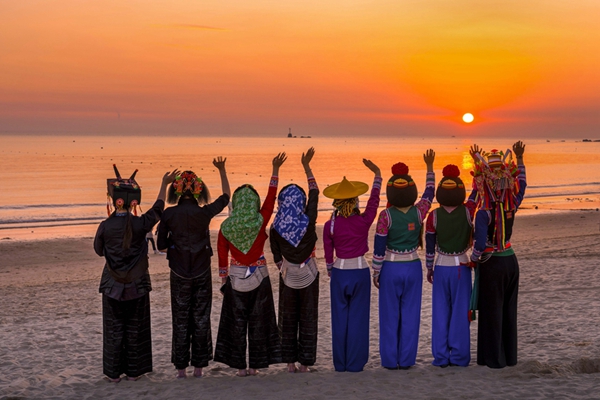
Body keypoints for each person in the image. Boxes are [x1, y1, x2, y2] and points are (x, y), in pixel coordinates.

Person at [94, 165, 177, 383]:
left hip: (112, 285)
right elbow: (158, 209)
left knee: (114, 330)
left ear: (114, 201)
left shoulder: (105, 226)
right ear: (133, 203)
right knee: (135, 329)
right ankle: (133, 373)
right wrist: (164, 184)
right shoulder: (140, 223)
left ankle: (114, 375)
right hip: (137, 285)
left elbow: (99, 250)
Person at [214, 153, 287, 377]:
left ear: (237, 203)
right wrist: (275, 170)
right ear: (253, 203)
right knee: (259, 322)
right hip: (260, 276)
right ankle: (254, 366)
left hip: (236, 278)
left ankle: (240, 368)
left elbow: (222, 254)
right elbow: (271, 198)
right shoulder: (260, 220)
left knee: (237, 324)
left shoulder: (227, 226)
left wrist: (224, 279)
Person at [157, 157, 230, 379]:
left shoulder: (168, 214)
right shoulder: (204, 213)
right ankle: (199, 367)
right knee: (201, 317)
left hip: (178, 271)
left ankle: (181, 369)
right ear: (198, 191)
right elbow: (226, 197)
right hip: (201, 270)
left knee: (180, 319)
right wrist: (222, 169)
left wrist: (163, 184)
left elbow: (160, 245)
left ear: (177, 192)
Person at [371, 150, 435, 370]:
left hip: (390, 267)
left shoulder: (385, 216)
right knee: (410, 315)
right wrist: (429, 167)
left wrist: (376, 271)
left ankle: (390, 361)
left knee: (389, 316)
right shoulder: (419, 212)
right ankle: (406, 360)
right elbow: (430, 192)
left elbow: (379, 247)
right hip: (413, 267)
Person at [469, 141, 527, 368]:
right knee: (508, 312)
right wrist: (520, 159)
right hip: (511, 261)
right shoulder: (512, 204)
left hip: (493, 264)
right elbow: (523, 184)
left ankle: (493, 359)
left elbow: (479, 244)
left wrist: (473, 260)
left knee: (491, 314)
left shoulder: (484, 212)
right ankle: (509, 357)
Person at [323, 159, 381, 372]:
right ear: (355, 201)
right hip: (359, 272)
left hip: (339, 273)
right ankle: (355, 364)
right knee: (358, 318)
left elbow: (328, 254)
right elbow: (374, 203)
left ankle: (341, 363)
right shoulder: (363, 221)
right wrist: (377, 175)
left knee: (339, 319)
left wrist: (330, 270)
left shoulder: (330, 225)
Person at [269, 148, 319, 374]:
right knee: (308, 318)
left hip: (288, 276)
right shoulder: (308, 220)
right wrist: (307, 167)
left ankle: (290, 363)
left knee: (288, 318)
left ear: (282, 203)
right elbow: (315, 193)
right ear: (301, 202)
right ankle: (305, 364)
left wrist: (285, 267)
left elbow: (276, 257)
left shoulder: (276, 227)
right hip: (309, 274)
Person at [425, 159, 478, 368]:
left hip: (441, 266)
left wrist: (429, 268)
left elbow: (430, 247)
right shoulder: (468, 211)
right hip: (462, 267)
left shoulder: (433, 216)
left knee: (440, 313)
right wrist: (477, 168)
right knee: (460, 314)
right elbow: (476, 193)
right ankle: (459, 357)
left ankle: (441, 356)